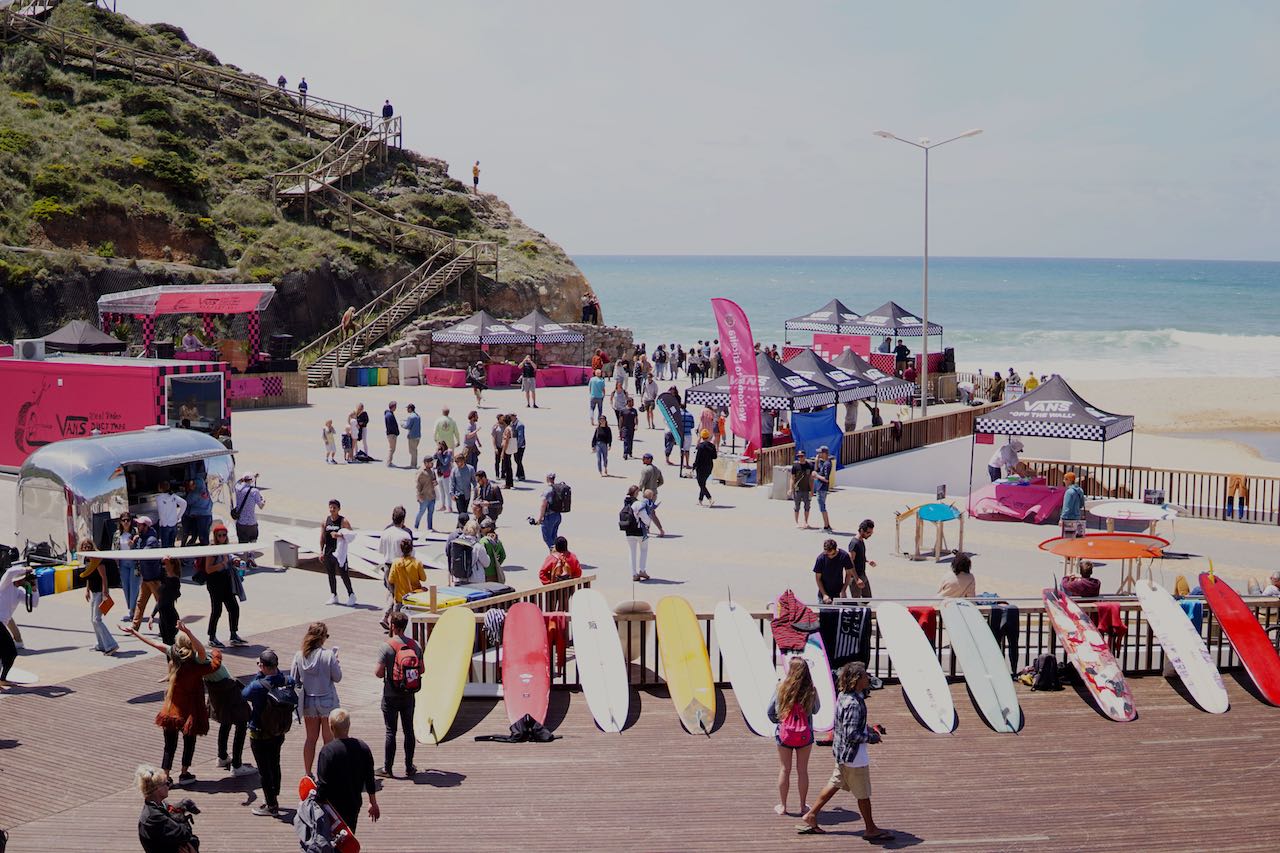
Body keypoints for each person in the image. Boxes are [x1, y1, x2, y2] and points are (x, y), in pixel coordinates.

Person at [799, 662, 889, 840]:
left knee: (834, 783)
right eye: (864, 675)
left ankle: (811, 815)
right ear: (856, 680)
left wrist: (868, 729)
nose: (868, 678)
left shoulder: (843, 695)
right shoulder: (854, 703)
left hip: (842, 753)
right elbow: (852, 734)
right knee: (863, 794)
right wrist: (871, 738)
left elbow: (849, 727)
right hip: (854, 757)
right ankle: (870, 828)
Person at [132, 623, 215, 786]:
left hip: (172, 708)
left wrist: (135, 632)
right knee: (189, 741)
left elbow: (154, 643)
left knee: (169, 745)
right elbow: (202, 650)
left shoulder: (174, 656)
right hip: (190, 709)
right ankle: (184, 774)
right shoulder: (197, 662)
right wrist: (189, 632)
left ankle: (166, 777)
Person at [768, 656, 820, 817]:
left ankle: (783, 806)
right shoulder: (810, 689)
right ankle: (803, 805)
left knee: (785, 769)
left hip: (785, 735)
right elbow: (816, 709)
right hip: (805, 735)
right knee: (802, 770)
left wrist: (781, 722)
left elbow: (771, 711)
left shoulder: (781, 687)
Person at [243, 648, 292, 817]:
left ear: (262, 666)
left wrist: (258, 675)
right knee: (275, 763)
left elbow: (244, 694)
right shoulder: (288, 681)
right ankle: (274, 796)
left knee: (264, 770)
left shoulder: (258, 685)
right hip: (278, 731)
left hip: (260, 734)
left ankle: (271, 805)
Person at [291, 621, 343, 779]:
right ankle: (327, 773)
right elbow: (338, 677)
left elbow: (294, 679)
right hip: (327, 700)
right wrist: (336, 662)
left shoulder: (299, 655)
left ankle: (308, 773)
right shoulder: (328, 655)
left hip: (308, 702)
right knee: (328, 740)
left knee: (310, 739)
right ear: (322, 638)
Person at [376, 611, 421, 777]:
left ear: (393, 626)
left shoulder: (386, 646)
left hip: (390, 695)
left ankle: (388, 768)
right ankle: (409, 767)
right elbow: (422, 669)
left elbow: (379, 673)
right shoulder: (414, 645)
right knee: (409, 730)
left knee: (390, 731)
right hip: (409, 695)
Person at [135, 765, 198, 853]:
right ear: (157, 789)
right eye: (166, 783)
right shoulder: (154, 816)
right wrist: (181, 817)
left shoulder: (156, 807)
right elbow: (184, 833)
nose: (168, 786)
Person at [204, 522, 246, 648]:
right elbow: (208, 569)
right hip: (215, 582)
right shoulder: (212, 550)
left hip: (226, 582)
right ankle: (212, 637)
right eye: (219, 535)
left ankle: (233, 634)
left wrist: (235, 560)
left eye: (224, 535)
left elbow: (230, 556)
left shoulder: (226, 547)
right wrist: (223, 564)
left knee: (234, 608)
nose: (222, 537)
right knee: (216, 611)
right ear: (215, 536)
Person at [79, 545, 119, 656]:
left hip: (100, 593)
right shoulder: (87, 559)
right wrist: (87, 590)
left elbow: (104, 577)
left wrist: (105, 593)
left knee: (97, 619)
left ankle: (111, 645)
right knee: (93, 620)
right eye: (83, 547)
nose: (86, 549)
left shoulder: (97, 560)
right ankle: (101, 644)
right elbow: (88, 576)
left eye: (88, 546)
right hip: (93, 592)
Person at [320, 499, 355, 606]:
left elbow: (352, 535)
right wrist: (321, 551)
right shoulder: (325, 521)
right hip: (328, 551)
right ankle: (334, 595)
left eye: (334, 508)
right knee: (331, 574)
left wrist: (339, 535)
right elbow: (322, 537)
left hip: (340, 552)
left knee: (343, 574)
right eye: (330, 507)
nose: (332, 510)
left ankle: (351, 594)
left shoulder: (343, 521)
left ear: (338, 509)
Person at [130, 516, 162, 631]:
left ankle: (167, 626)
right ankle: (135, 626)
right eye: (137, 525)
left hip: (154, 578)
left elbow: (143, 555)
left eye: (140, 525)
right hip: (146, 577)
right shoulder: (142, 538)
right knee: (140, 602)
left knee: (162, 603)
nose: (137, 527)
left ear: (146, 526)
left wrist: (135, 545)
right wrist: (134, 543)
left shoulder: (151, 540)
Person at [387, 538, 428, 613]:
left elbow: (390, 580)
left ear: (401, 549)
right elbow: (424, 578)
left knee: (398, 621)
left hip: (400, 598)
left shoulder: (396, 562)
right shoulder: (417, 562)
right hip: (414, 598)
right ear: (412, 549)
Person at [621, 485, 650, 582]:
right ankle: (642, 570)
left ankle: (634, 574)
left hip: (628, 531)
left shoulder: (626, 502)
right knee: (644, 550)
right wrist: (648, 523)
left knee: (632, 552)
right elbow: (646, 519)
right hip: (640, 531)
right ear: (636, 492)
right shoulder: (638, 503)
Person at [114, 513, 140, 622]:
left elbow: (140, 546)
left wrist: (133, 544)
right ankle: (130, 608)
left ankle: (132, 611)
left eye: (128, 520)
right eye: (123, 520)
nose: (126, 522)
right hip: (123, 563)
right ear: (120, 522)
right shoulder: (117, 534)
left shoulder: (135, 532)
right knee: (125, 586)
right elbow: (114, 548)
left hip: (134, 563)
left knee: (134, 587)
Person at [813, 539, 854, 605]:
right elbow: (818, 578)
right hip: (824, 592)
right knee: (824, 614)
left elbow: (848, 574)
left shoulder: (844, 556)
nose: (830, 556)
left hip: (838, 592)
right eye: (827, 554)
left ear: (836, 549)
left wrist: (843, 590)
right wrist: (824, 595)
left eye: (833, 554)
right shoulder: (820, 559)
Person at [155, 557, 183, 646]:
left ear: (172, 565)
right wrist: (152, 615)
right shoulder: (165, 578)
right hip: (162, 616)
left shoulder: (175, 580)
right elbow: (160, 599)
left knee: (171, 643)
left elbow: (171, 597)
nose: (164, 566)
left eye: (166, 564)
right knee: (165, 643)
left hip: (170, 616)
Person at [233, 473, 265, 548]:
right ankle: (251, 556)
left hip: (241, 522)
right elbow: (261, 506)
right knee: (253, 541)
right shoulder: (255, 491)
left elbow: (237, 482)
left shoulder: (237, 489)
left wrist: (246, 478)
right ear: (251, 480)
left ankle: (244, 556)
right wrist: (264, 499)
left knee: (242, 544)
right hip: (251, 522)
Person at [155, 480, 186, 550]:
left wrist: (164, 523)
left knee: (165, 547)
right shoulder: (173, 496)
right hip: (173, 524)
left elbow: (161, 512)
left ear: (160, 488)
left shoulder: (159, 498)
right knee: (172, 546)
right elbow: (184, 503)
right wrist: (178, 517)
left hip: (165, 525)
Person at [849, 519, 877, 597]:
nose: (870, 535)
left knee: (867, 598)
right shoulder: (854, 543)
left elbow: (859, 556)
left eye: (871, 533)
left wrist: (867, 561)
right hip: (855, 576)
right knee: (857, 600)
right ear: (861, 530)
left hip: (862, 574)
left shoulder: (861, 540)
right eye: (868, 533)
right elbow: (850, 562)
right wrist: (857, 579)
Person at [789, 450, 815, 529]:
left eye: (802, 456)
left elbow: (811, 479)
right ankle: (797, 522)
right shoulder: (795, 466)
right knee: (797, 506)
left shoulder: (810, 465)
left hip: (807, 489)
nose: (800, 458)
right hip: (797, 489)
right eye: (799, 456)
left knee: (807, 506)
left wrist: (812, 490)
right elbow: (792, 478)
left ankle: (806, 522)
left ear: (805, 456)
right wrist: (790, 489)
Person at [537, 472, 563, 551]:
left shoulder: (547, 490)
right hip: (557, 516)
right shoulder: (557, 488)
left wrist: (540, 518)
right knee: (554, 537)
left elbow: (543, 505)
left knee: (547, 538)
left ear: (547, 478)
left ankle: (556, 556)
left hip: (549, 517)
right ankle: (560, 553)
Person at [812, 445, 834, 532]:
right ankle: (827, 525)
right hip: (820, 487)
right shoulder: (823, 463)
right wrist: (816, 462)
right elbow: (817, 471)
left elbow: (826, 479)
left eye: (820, 453)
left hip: (822, 488)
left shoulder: (827, 464)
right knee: (822, 506)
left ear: (824, 453)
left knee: (822, 507)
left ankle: (826, 526)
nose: (818, 454)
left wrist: (817, 476)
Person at [693, 428, 717, 507]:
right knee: (703, 483)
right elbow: (715, 457)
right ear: (708, 436)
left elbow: (697, 458)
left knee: (701, 484)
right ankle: (700, 500)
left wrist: (694, 466)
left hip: (701, 468)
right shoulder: (712, 446)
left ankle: (710, 498)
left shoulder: (700, 446)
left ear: (702, 437)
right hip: (709, 467)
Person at [415, 458, 437, 531]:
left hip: (432, 495)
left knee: (430, 513)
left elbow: (435, 481)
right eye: (431, 462)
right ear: (426, 463)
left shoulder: (432, 471)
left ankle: (429, 528)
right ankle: (416, 526)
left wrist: (435, 482)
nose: (432, 464)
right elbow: (418, 485)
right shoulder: (421, 472)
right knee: (421, 512)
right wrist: (418, 496)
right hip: (424, 496)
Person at [433, 440, 454, 512]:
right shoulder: (439, 452)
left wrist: (440, 455)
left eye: (440, 446)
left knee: (447, 491)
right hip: (439, 474)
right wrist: (437, 452)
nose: (439, 447)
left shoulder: (448, 453)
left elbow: (445, 462)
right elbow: (433, 457)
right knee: (442, 491)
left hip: (446, 474)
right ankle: (443, 505)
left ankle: (450, 507)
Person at [402, 403, 422, 469]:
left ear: (410, 409)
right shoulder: (417, 416)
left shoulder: (411, 417)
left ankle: (413, 465)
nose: (407, 409)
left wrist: (402, 424)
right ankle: (414, 464)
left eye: (408, 408)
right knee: (414, 450)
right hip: (418, 436)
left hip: (412, 436)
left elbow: (408, 426)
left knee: (412, 451)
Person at [499, 414, 515, 489]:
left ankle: (507, 484)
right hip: (509, 449)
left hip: (506, 449)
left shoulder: (507, 429)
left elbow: (506, 441)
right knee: (509, 466)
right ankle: (510, 482)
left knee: (507, 467)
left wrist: (503, 452)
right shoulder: (510, 428)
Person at [511, 412, 527, 481]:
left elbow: (521, 437)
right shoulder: (512, 423)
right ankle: (519, 474)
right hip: (514, 444)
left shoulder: (520, 425)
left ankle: (521, 475)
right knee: (516, 460)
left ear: (514, 416)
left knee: (519, 460)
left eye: (511, 416)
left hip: (520, 446)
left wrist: (517, 446)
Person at [383, 401, 400, 467]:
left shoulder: (389, 414)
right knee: (391, 449)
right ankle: (389, 462)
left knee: (392, 449)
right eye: (395, 406)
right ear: (393, 407)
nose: (396, 408)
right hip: (392, 434)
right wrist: (395, 433)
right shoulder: (389, 415)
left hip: (391, 434)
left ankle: (390, 462)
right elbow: (391, 426)